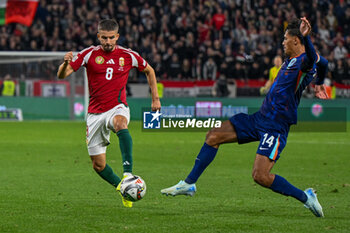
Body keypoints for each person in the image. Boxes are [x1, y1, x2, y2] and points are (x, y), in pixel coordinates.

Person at [161, 18, 328, 217]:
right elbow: (322, 63)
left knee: (260, 176)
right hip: (259, 119)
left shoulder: (304, 63)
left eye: (285, 39)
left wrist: (318, 80)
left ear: (296, 40)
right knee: (213, 135)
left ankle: (306, 196)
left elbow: (321, 62)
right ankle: (189, 184)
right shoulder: (289, 62)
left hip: (276, 127)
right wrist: (319, 85)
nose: (282, 42)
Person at [57, 19, 161, 208]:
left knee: (121, 123)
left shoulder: (128, 55)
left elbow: (149, 70)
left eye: (111, 37)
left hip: (117, 106)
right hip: (95, 114)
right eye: (104, 37)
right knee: (98, 166)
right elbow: (62, 75)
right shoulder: (88, 54)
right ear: (98, 36)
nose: (107, 41)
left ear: (117, 37)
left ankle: (128, 173)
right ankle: (123, 188)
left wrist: (155, 98)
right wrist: (65, 64)